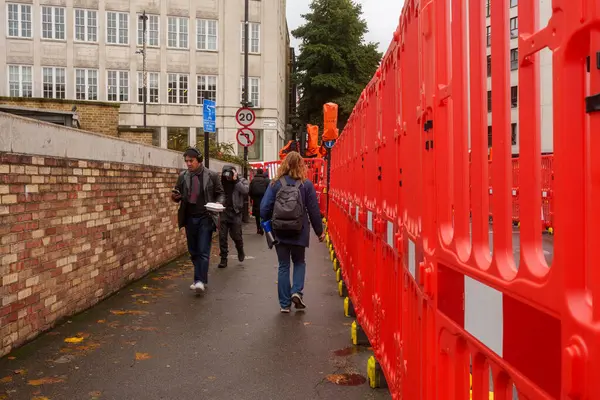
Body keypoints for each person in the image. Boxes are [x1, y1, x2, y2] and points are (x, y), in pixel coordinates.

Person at [260, 151, 325, 313]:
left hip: (279, 230)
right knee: (299, 262)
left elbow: (263, 209)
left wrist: (270, 222)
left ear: (284, 164)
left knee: (283, 266)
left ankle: (284, 304)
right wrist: (319, 232)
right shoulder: (306, 185)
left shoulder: (275, 184)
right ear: (301, 166)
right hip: (299, 230)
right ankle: (296, 291)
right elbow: (313, 210)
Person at [171, 147, 225, 293]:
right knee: (193, 251)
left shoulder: (212, 175)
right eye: (186, 161)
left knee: (203, 250)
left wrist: (218, 203)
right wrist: (175, 196)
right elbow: (177, 193)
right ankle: (199, 278)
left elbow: (220, 193)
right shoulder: (183, 176)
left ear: (199, 160)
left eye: (191, 161)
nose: (188, 164)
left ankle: (200, 280)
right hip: (189, 218)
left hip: (206, 217)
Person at [218, 165, 249, 268]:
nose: (228, 177)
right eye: (225, 174)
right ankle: (223, 259)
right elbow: (217, 193)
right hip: (224, 211)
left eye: (229, 174)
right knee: (222, 236)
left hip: (236, 212)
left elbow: (245, 191)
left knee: (236, 236)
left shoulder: (242, 180)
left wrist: (236, 181)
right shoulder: (221, 181)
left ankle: (240, 249)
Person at [249, 168, 270, 235]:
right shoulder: (266, 180)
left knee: (257, 215)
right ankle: (264, 227)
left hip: (256, 200)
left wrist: (252, 198)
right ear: (262, 173)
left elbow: (250, 191)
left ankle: (258, 228)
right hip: (264, 199)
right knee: (264, 214)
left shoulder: (253, 180)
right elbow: (269, 191)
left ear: (257, 172)